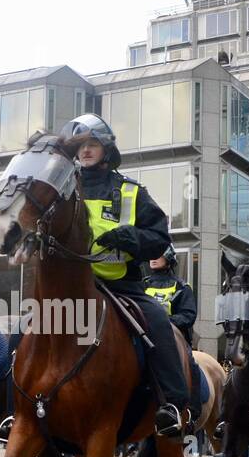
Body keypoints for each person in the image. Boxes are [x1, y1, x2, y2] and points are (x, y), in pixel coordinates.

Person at [59, 114, 191, 437]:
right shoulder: (60, 191)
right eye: (80, 146)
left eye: (92, 144)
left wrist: (128, 237)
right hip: (69, 288)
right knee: (27, 329)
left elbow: (160, 238)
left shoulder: (131, 192)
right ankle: (15, 411)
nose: (86, 151)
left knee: (159, 322)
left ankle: (172, 406)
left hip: (122, 287)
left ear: (106, 149)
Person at [143, 244, 202, 419]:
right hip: (143, 336)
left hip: (173, 339)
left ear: (169, 258)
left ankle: (191, 410)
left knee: (192, 366)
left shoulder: (182, 287)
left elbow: (188, 316)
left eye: (158, 254)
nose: (153, 257)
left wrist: (162, 323)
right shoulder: (141, 285)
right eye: (151, 253)